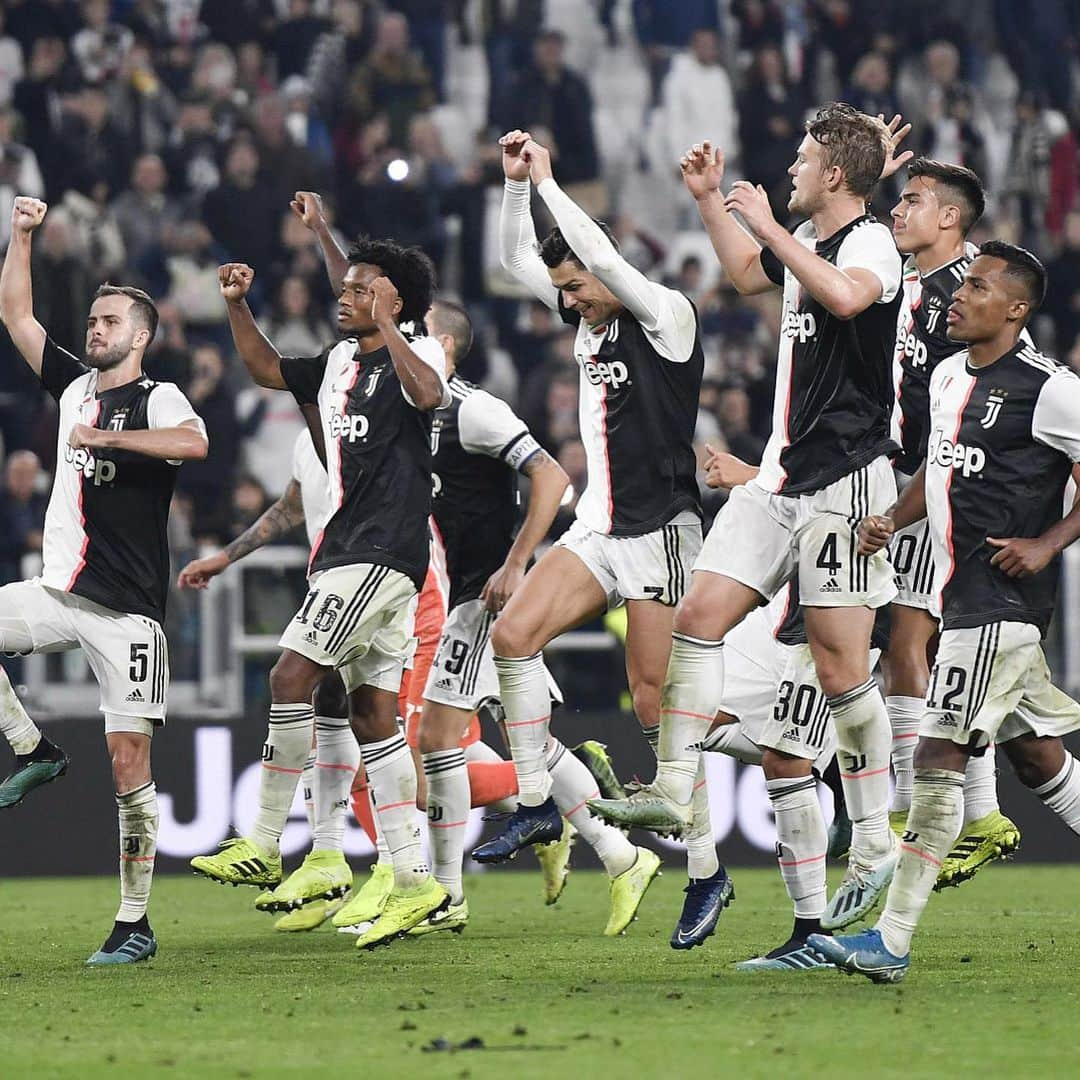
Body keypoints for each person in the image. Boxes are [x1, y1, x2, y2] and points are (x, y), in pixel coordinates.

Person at [595, 105, 912, 936]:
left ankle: (877, 838)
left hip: (847, 477)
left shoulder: (870, 243)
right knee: (696, 618)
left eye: (804, 159)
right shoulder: (802, 245)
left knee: (843, 669)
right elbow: (745, 275)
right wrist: (709, 201)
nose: (792, 171)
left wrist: (770, 224)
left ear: (835, 175)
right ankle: (671, 782)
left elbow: (845, 299)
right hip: (779, 477)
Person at [813, 243, 1080, 982]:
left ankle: (890, 943)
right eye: (962, 284)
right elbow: (940, 469)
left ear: (1017, 310)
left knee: (937, 761)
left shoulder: (1051, 388)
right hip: (961, 598)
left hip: (1003, 603)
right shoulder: (945, 375)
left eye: (980, 287)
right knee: (1034, 758)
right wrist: (894, 521)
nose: (959, 296)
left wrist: (1048, 541)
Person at [189, 229, 454, 950]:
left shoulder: (419, 353)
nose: (346, 295)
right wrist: (239, 306)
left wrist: (394, 325)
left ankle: (266, 840)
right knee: (372, 716)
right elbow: (267, 369)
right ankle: (414, 881)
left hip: (379, 551)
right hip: (351, 552)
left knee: (290, 673)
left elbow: (428, 396)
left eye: (362, 287)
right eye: (346, 287)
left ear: (397, 302)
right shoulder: (339, 361)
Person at [481, 128, 711, 936]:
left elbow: (605, 264)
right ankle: (542, 808)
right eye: (566, 293)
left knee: (657, 705)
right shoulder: (591, 316)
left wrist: (549, 178)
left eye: (577, 288)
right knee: (511, 637)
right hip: (599, 528)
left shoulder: (667, 316)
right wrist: (516, 186)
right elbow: (515, 265)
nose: (570, 302)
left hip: (662, 532)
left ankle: (707, 871)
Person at [0, 195, 208, 965]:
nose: (95, 330)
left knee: (129, 768)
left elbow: (196, 443)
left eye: (110, 322)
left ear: (142, 337)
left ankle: (134, 922)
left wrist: (105, 436)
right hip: (60, 591)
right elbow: (16, 315)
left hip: (126, 614)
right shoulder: (74, 389)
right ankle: (34, 751)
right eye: (92, 320)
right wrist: (22, 235)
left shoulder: (158, 397)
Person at [415, 299, 644, 938]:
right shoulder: (413, 414)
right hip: (462, 593)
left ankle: (447, 897)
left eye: (417, 329)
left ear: (447, 344)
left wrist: (517, 564)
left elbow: (553, 480)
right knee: (530, 745)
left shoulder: (473, 409)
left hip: (487, 599)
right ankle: (623, 856)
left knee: (439, 740)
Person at [887, 158, 1021, 886]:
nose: (896, 212)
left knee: (909, 641)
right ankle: (984, 809)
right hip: (914, 476)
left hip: (941, 485)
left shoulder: (975, 290)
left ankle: (914, 803)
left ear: (949, 218)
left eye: (910, 201)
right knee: (951, 662)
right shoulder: (911, 283)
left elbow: (1005, 382)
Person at [178, 428, 360, 933]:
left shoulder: (381, 413)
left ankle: (392, 872)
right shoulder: (309, 438)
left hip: (382, 579)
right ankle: (331, 865)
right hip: (335, 578)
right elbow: (289, 508)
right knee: (341, 713)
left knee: (391, 731)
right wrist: (225, 557)